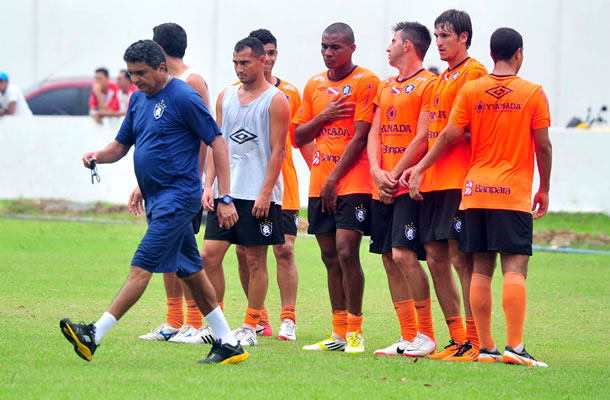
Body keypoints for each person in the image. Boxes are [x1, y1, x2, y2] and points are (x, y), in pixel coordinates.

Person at [59, 39, 247, 364]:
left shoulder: (184, 96)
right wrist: (97, 157)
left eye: (141, 73)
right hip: (156, 199)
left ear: (161, 67)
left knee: (141, 265)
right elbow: (121, 145)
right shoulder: (138, 100)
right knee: (191, 271)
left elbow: (217, 141)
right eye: (131, 74)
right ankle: (228, 342)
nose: (135, 80)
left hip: (179, 198)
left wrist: (224, 195)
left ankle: (94, 333)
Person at [408, 27, 552, 367]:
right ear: (519, 53)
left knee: (482, 271)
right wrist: (544, 187)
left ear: (490, 55)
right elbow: (543, 145)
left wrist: (420, 167)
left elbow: (448, 136)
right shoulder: (533, 93)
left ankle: (485, 347)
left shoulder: (472, 89)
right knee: (515, 267)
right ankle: (514, 347)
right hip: (512, 193)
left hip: (474, 192)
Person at [399, 9, 487, 361]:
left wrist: (419, 166)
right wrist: (415, 169)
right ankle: (456, 337)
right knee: (435, 257)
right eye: (436, 36)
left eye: (445, 36)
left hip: (457, 179)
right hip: (435, 179)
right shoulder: (441, 79)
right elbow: (430, 132)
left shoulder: (474, 73)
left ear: (463, 37)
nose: (439, 43)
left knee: (460, 259)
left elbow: (455, 134)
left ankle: (477, 339)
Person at [198, 36, 290, 347]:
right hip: (227, 192)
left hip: (258, 194)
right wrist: (208, 185)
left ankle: (251, 326)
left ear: (263, 61)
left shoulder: (276, 100)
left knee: (254, 260)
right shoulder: (225, 96)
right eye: (236, 63)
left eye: (245, 63)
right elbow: (217, 144)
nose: (239, 69)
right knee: (209, 256)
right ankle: (216, 323)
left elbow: (279, 151)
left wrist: (266, 193)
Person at [294, 22, 380, 354]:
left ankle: (356, 333)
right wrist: (324, 116)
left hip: (353, 181)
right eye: (324, 47)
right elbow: (299, 136)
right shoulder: (314, 85)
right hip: (320, 182)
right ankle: (339, 333)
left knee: (347, 251)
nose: (329, 53)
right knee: (329, 257)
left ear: (352, 49)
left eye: (336, 47)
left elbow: (360, 137)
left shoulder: (366, 81)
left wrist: (334, 180)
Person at [129, 22, 213, 344]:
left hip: (183, 186)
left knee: (183, 254)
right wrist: (142, 183)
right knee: (168, 251)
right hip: (160, 186)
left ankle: (194, 321)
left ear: (159, 49)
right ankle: (174, 320)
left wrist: (199, 180)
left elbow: (206, 137)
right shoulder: (157, 87)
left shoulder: (191, 82)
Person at [232, 28, 313, 341]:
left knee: (285, 250)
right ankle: (259, 316)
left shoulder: (289, 93)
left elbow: (298, 139)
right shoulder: (234, 94)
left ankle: (288, 318)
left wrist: (317, 170)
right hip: (244, 187)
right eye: (263, 54)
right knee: (243, 252)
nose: (268, 60)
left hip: (283, 186)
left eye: (273, 53)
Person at [366, 22, 437, 357]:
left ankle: (427, 334)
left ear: (408, 46)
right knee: (387, 257)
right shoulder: (385, 86)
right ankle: (408, 335)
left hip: (406, 185)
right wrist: (376, 172)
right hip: (382, 183)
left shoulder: (429, 84)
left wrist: (393, 175)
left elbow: (423, 136)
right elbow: (374, 133)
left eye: (392, 41)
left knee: (404, 254)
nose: (387, 47)